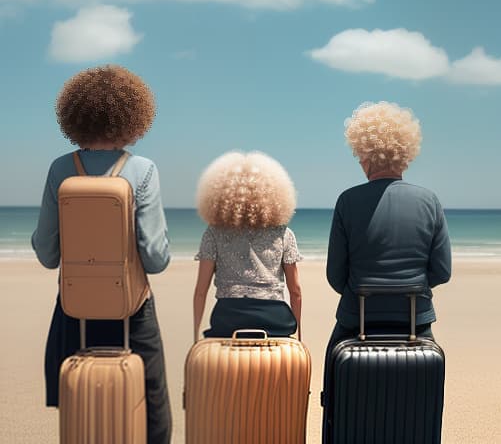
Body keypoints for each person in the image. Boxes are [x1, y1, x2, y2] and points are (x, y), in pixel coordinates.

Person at [32, 65, 172, 444]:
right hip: (132, 314)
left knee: (81, 414)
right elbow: (155, 258)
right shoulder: (142, 170)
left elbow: (46, 254)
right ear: (133, 117)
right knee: (152, 407)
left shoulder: (60, 169)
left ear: (75, 115)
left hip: (73, 313)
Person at [324, 100, 452, 356]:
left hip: (356, 320)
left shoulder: (347, 201)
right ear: (405, 155)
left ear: (366, 155)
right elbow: (442, 272)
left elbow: (336, 277)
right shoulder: (430, 201)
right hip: (416, 321)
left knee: (334, 369)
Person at [193, 151, 303, 342]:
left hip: (227, 319)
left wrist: (195, 336)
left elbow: (201, 291)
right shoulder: (284, 233)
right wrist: (299, 337)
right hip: (275, 320)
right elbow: (296, 291)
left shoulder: (214, 232)